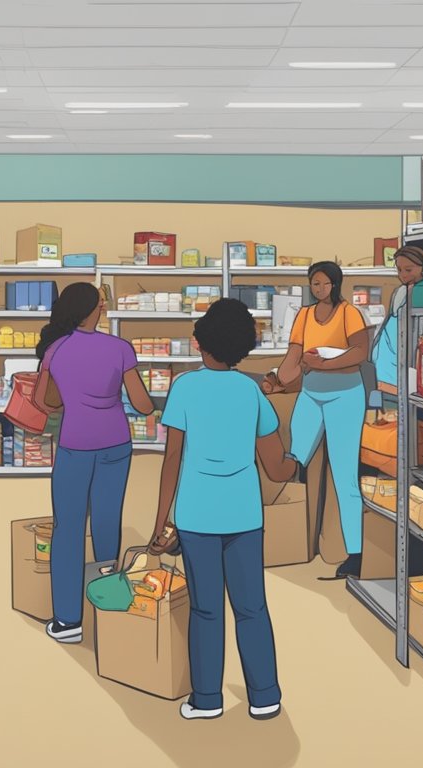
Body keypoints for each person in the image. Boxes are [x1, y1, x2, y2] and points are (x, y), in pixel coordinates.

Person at [150, 298, 298, 721]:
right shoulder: (251, 391)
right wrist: (298, 460)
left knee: (205, 609)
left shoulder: (184, 388)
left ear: (200, 343)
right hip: (244, 517)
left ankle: (207, 699)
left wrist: (160, 522)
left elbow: (172, 458)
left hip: (197, 516)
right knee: (252, 607)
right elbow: (274, 466)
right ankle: (265, 695)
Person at [32, 282, 154, 644]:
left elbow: (44, 402)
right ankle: (107, 606)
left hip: (74, 445)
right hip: (116, 443)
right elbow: (143, 404)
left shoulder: (56, 349)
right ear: (94, 310)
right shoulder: (120, 349)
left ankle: (68, 620)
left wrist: (73, 400)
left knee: (68, 529)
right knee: (106, 523)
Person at [266, 261, 370, 580]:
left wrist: (322, 365)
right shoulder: (304, 315)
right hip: (312, 395)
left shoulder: (348, 313)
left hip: (345, 397)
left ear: (335, 285)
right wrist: (279, 379)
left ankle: (355, 553)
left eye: (324, 284)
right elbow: (294, 355)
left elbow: (359, 353)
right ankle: (291, 534)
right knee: (293, 459)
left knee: (344, 475)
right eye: (314, 284)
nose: (319, 289)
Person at [371, 246, 423, 392]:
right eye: (399, 270)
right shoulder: (400, 291)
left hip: (403, 359)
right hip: (386, 358)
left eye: (408, 270)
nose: (403, 274)